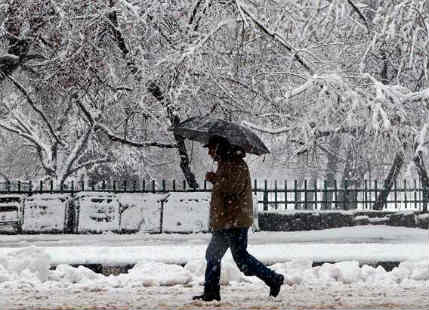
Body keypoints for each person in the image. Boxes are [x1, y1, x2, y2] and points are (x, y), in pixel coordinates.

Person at [193, 136, 284, 302]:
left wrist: (215, 179)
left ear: (219, 147)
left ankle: (273, 279)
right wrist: (217, 179)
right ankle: (211, 292)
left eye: (211, 148)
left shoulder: (236, 164)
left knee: (241, 259)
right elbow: (225, 188)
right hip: (224, 220)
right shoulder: (226, 163)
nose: (209, 153)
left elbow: (232, 188)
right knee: (212, 255)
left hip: (235, 220)